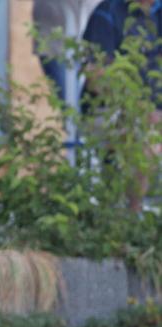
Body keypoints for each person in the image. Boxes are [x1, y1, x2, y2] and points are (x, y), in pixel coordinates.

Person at [82, 0, 161, 211]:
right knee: (146, 140)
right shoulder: (107, 13)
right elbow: (95, 78)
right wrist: (137, 105)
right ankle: (130, 216)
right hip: (108, 109)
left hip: (153, 113)